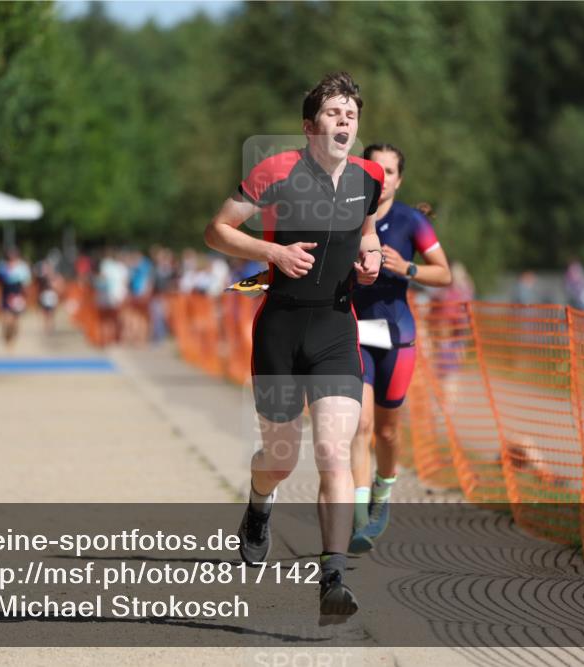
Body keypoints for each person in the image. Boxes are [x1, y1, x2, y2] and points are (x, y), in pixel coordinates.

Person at [204, 72, 383, 624]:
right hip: (280, 331)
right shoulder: (275, 172)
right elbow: (217, 230)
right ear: (309, 127)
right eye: (333, 113)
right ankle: (259, 504)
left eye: (350, 113)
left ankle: (332, 579)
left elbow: (369, 226)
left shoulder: (368, 178)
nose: (344, 121)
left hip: (335, 329)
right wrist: (271, 253)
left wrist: (371, 254)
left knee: (333, 451)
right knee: (279, 460)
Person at [347, 144, 451, 554]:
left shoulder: (411, 220)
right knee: (359, 425)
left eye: (390, 171)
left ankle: (382, 492)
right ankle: (356, 519)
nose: (382, 178)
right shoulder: (346, 214)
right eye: (375, 170)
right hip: (354, 329)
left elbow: (442, 273)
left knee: (387, 430)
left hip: (396, 334)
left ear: (399, 179)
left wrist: (405, 267)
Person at [0, 247, 32, 348]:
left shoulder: (22, 267)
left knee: (15, 320)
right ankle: (7, 334)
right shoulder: (2, 266)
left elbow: (26, 284)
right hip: (5, 294)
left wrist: (26, 297)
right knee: (5, 318)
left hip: (17, 295)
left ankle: (12, 336)